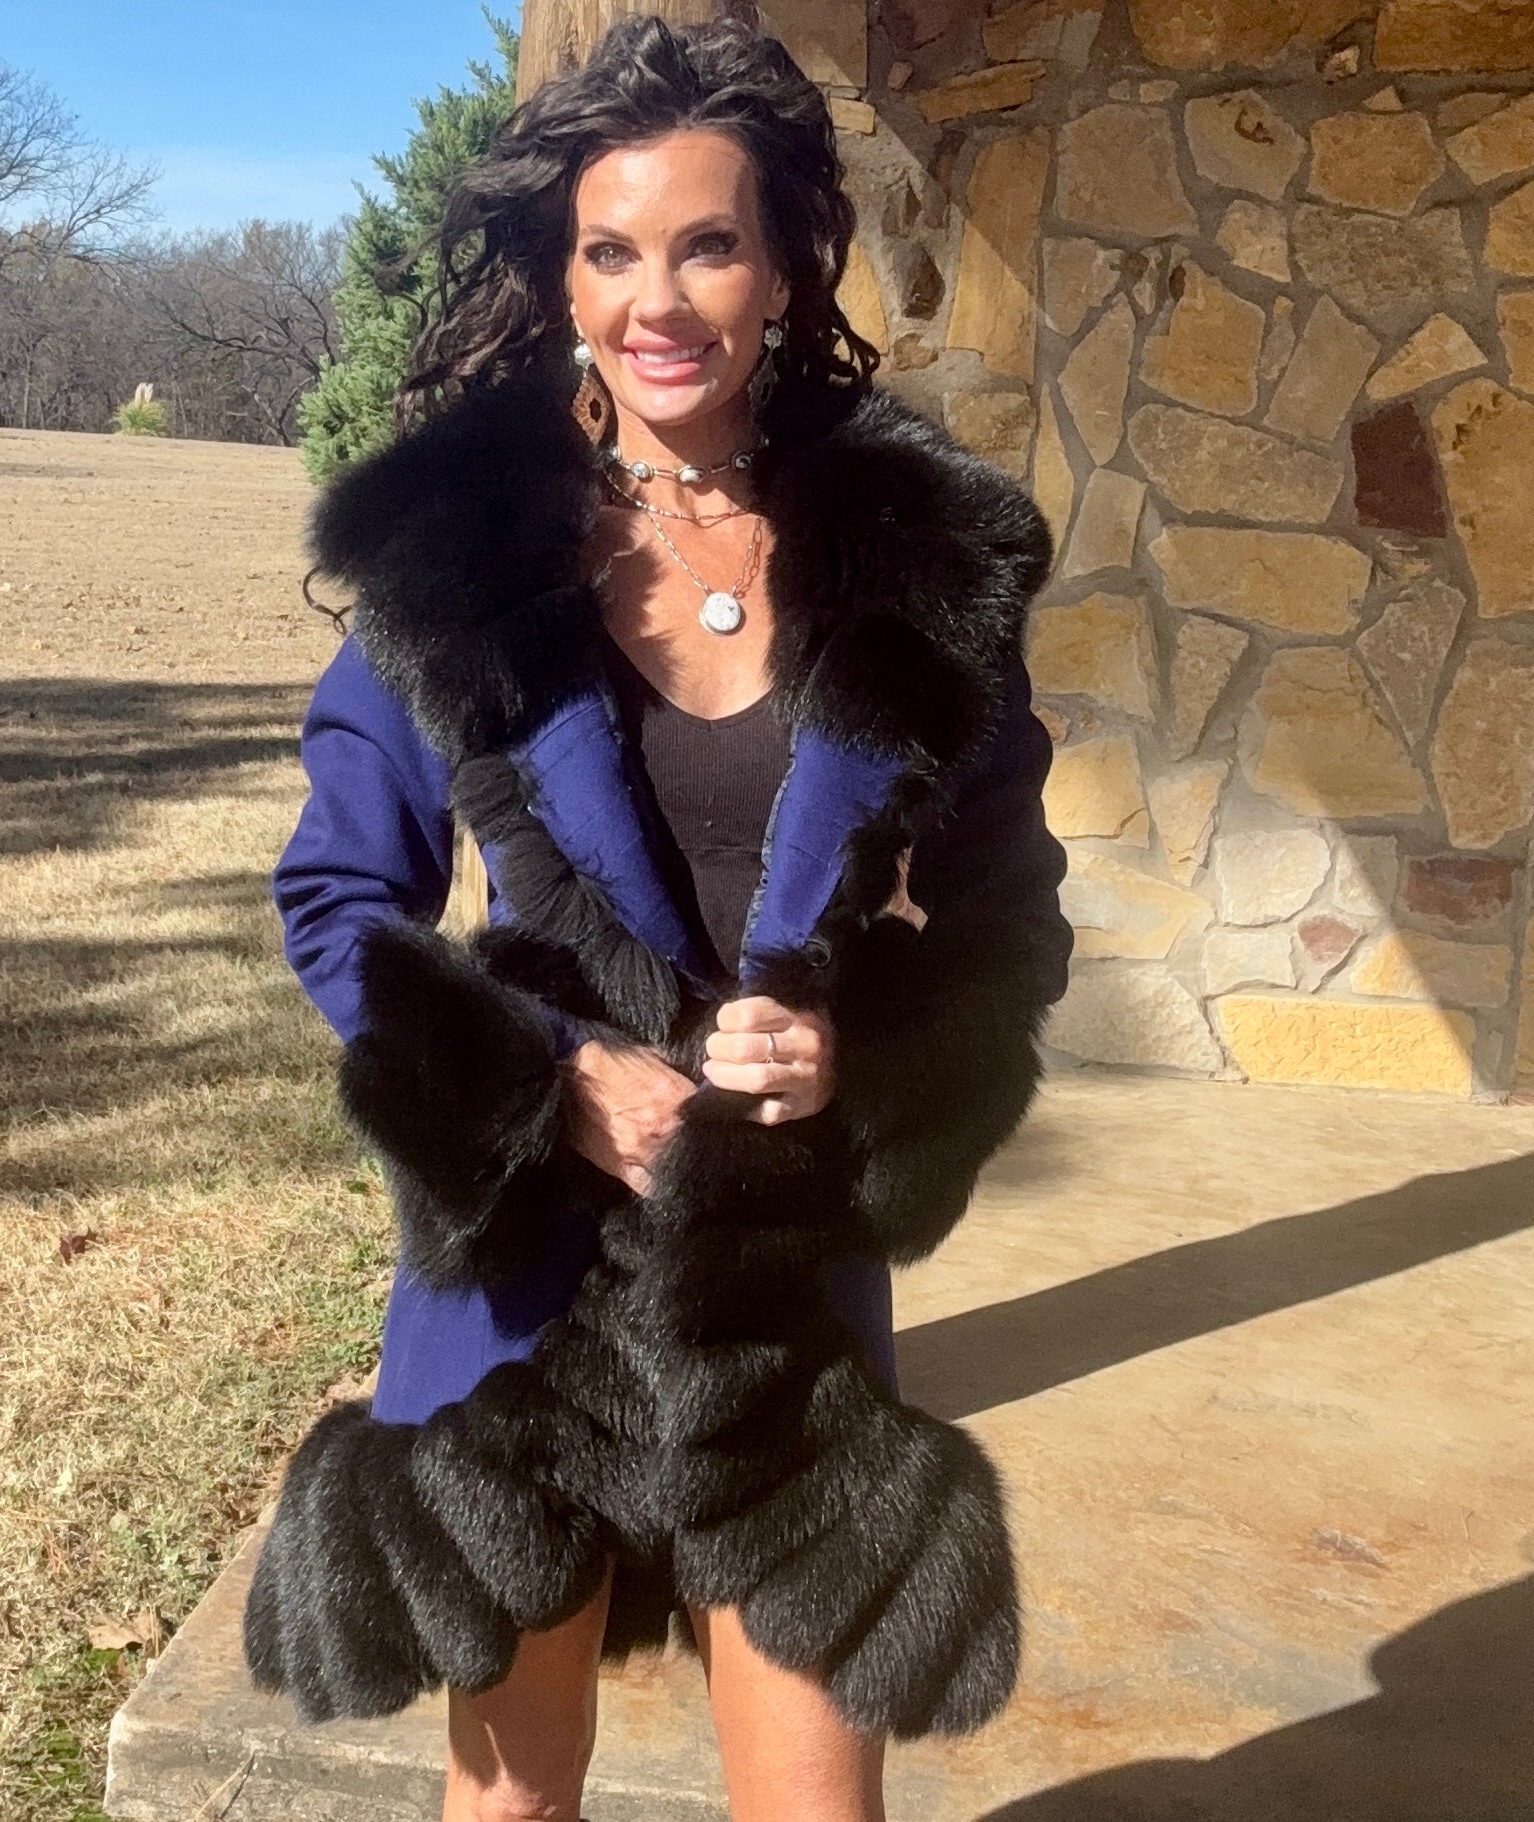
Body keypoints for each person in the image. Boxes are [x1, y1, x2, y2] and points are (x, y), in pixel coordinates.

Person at [243, 16, 1072, 1822]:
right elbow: (338, 896)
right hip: (521, 1296)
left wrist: (860, 1048)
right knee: (513, 1799)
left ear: (783, 267)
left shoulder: (923, 566)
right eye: (610, 251)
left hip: (784, 1285)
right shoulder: (454, 559)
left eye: (707, 243)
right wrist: (546, 1080)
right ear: (560, 279)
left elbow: (1008, 911)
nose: (658, 300)